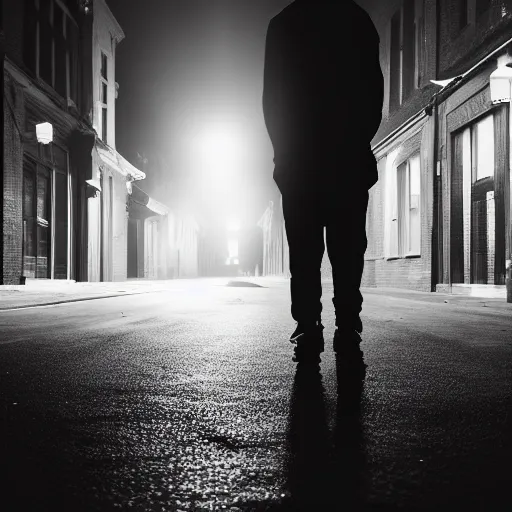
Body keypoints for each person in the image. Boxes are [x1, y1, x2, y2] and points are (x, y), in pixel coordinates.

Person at [262, 0, 383, 362]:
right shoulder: (358, 20)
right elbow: (372, 92)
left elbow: (273, 99)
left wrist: (284, 153)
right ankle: (347, 323)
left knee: (304, 250)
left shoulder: (284, 24)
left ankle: (308, 324)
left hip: (301, 162)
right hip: (345, 160)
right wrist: (358, 142)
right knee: (347, 250)